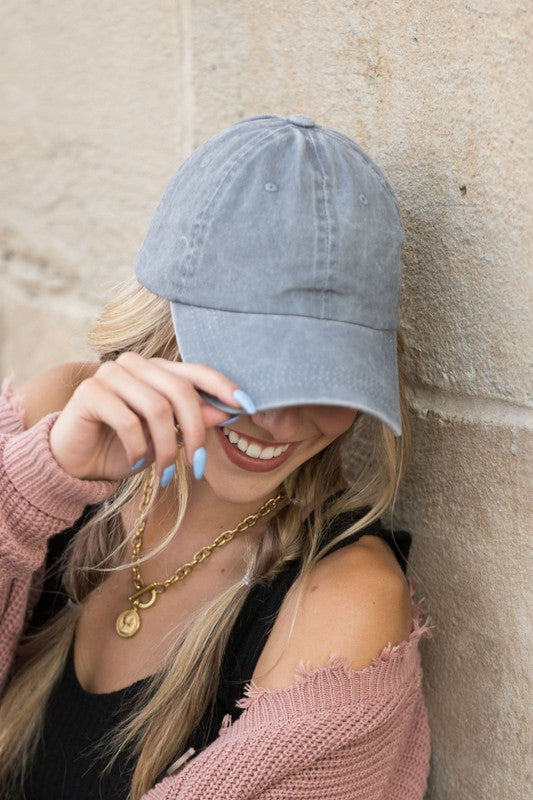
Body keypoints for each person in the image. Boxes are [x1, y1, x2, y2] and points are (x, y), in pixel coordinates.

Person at [0, 114, 432, 799]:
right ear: (163, 321)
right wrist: (34, 490)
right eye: (250, 363)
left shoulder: (344, 606)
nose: (280, 419)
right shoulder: (52, 417)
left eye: (324, 377)